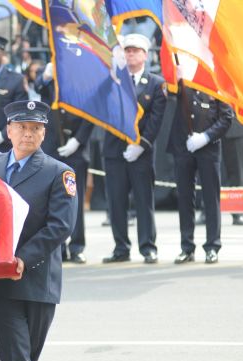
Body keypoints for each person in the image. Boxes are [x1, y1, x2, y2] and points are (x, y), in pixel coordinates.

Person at [0, 100, 77, 361]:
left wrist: (25, 257)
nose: (27, 134)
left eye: (35, 128)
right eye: (21, 127)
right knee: (16, 352)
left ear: (44, 133)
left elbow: (60, 226)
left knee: (26, 355)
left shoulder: (58, 172)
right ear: (9, 130)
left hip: (37, 277)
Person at [101, 34, 166, 264]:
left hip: (141, 152)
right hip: (115, 150)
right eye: (127, 51)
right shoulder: (113, 79)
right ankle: (121, 247)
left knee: (143, 200)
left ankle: (148, 246)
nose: (131, 54)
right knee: (116, 202)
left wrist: (141, 145)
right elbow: (103, 105)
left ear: (145, 55)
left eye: (135, 51)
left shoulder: (155, 83)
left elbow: (156, 119)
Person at [167, 84, 233, 264]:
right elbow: (170, 91)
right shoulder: (182, 81)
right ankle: (186, 247)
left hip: (208, 149)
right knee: (185, 198)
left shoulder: (217, 84)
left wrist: (206, 137)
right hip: (183, 146)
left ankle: (212, 246)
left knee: (211, 198)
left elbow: (226, 117)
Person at [36, 62, 91, 264]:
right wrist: (46, 76)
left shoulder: (84, 80)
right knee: (53, 202)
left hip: (75, 148)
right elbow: (38, 89)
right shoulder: (51, 76)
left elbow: (90, 113)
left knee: (75, 201)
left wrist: (78, 140)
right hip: (52, 148)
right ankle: (59, 248)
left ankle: (77, 247)